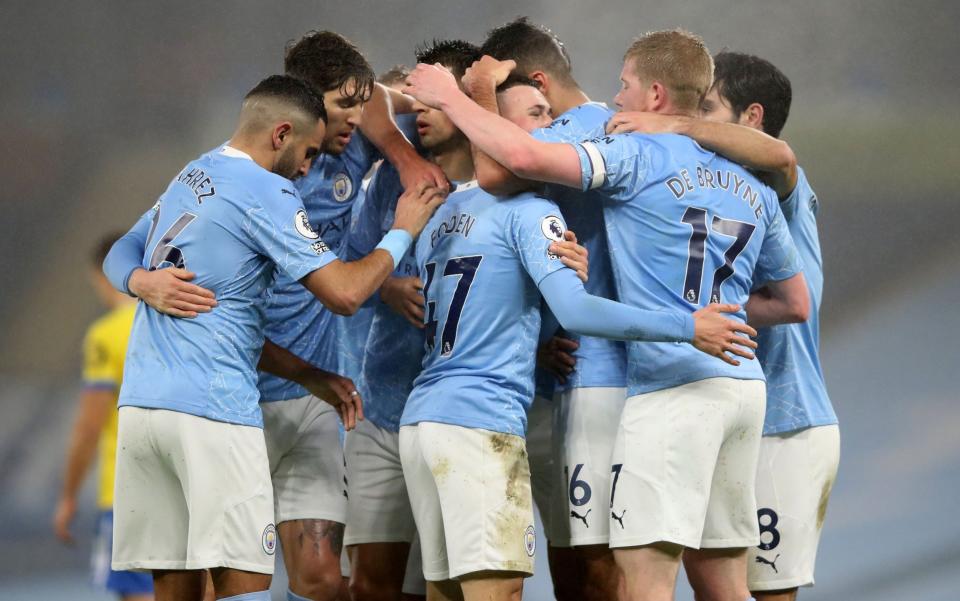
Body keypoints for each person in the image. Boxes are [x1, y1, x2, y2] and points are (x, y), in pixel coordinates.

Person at [403, 28, 811, 601]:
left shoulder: (629, 147)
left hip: (662, 382)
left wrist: (456, 97)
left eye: (624, 86)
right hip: (740, 385)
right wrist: (717, 317)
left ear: (655, 95)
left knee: (636, 577)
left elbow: (513, 162)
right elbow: (795, 299)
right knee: (723, 582)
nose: (614, 100)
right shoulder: (749, 174)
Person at [101, 74, 445, 601]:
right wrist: (404, 229)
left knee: (175, 586)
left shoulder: (195, 171)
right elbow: (345, 294)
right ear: (281, 134)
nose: (307, 168)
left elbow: (122, 248)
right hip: (213, 412)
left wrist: (139, 280)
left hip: (144, 411)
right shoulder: (267, 191)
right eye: (305, 153)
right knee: (243, 584)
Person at [344, 40, 586, 601]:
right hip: (390, 404)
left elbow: (518, 291)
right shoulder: (394, 176)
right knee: (382, 585)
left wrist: (537, 335)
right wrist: (385, 284)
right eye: (416, 99)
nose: (420, 110)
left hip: (450, 403)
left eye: (432, 99)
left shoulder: (514, 188)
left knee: (447, 583)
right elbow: (346, 263)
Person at [657, 51, 839, 601]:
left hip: (784, 421)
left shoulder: (779, 183)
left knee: (768, 594)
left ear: (752, 118)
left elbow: (781, 160)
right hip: (722, 414)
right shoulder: (715, 192)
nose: (696, 120)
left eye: (708, 108)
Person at [474, 19, 629, 600]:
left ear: (536, 84)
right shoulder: (619, 128)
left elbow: (493, 167)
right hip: (557, 371)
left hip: (590, 372)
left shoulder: (570, 134)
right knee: (585, 561)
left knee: (594, 563)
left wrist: (469, 98)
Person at [53, 233, 153, 601]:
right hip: (183, 480)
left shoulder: (106, 334)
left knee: (139, 594)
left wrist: (67, 496)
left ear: (102, 276)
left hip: (126, 490)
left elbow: (89, 427)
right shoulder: (177, 319)